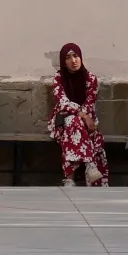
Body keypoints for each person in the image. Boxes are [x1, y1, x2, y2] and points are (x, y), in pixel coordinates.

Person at [49, 43, 109, 187]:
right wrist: (83, 116)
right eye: (68, 57)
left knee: (87, 133)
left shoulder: (90, 78)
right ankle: (89, 164)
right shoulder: (58, 78)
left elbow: (90, 103)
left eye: (75, 56)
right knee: (72, 122)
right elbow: (63, 103)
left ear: (80, 57)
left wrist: (84, 116)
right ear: (63, 62)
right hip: (62, 121)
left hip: (87, 121)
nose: (73, 60)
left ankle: (69, 180)